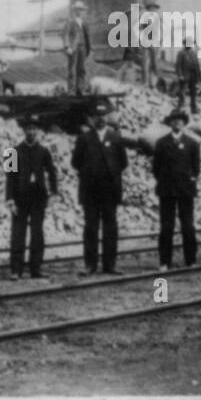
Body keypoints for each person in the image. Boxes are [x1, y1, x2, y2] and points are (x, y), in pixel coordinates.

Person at [71, 99, 128, 276]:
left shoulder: (116, 137)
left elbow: (123, 163)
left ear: (108, 117)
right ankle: (90, 265)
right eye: (97, 116)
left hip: (110, 191)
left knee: (111, 228)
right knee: (91, 228)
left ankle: (110, 264)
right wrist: (90, 174)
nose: (100, 119)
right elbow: (76, 162)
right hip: (91, 191)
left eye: (103, 115)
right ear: (92, 118)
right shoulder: (84, 138)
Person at [5, 115, 57, 280]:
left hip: (38, 198)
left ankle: (36, 269)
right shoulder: (11, 152)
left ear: (38, 131)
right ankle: (16, 270)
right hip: (20, 199)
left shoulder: (44, 151)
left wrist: (53, 192)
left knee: (37, 235)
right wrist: (10, 199)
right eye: (29, 129)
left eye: (34, 129)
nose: (32, 132)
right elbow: (9, 178)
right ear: (24, 130)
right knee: (18, 235)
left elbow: (52, 172)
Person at [152, 107, 201, 270]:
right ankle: (165, 262)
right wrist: (165, 181)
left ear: (184, 123)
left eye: (180, 120)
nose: (177, 123)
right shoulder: (161, 143)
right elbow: (156, 168)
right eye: (174, 120)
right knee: (166, 227)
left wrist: (188, 181)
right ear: (170, 123)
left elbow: (195, 168)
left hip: (185, 190)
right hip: (166, 190)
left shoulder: (192, 144)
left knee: (188, 226)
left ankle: (191, 260)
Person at [63, 1, 92, 96]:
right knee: (72, 69)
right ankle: (71, 90)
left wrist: (88, 49)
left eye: (81, 10)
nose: (80, 11)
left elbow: (87, 36)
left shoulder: (84, 22)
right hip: (73, 48)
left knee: (82, 69)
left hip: (82, 48)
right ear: (74, 10)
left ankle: (80, 89)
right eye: (78, 9)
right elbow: (66, 35)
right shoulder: (70, 21)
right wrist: (67, 47)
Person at [174, 36, 201, 112]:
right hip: (184, 76)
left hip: (193, 76)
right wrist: (180, 75)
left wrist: (198, 77)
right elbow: (178, 65)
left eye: (190, 43)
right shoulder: (181, 53)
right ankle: (180, 108)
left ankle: (194, 108)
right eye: (187, 43)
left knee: (193, 93)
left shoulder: (193, 53)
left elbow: (197, 65)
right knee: (182, 92)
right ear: (184, 44)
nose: (189, 44)